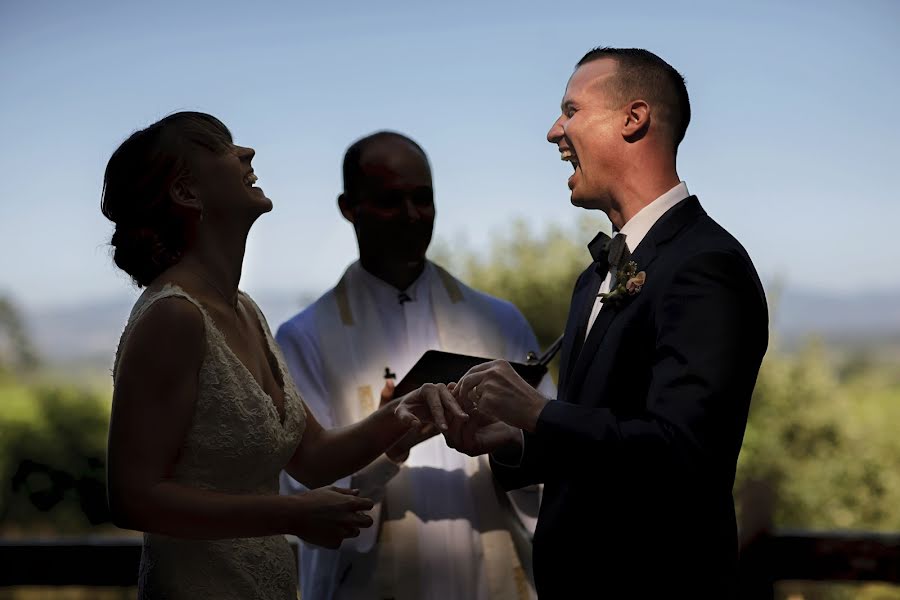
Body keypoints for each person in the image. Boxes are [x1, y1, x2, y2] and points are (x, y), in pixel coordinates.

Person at [399, 47, 769, 597]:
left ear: (633, 119)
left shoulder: (705, 265)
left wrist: (537, 411)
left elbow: (683, 454)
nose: (554, 131)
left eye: (570, 110)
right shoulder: (593, 277)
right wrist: (513, 440)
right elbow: (601, 435)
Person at [102, 112, 458, 600]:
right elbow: (131, 499)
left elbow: (312, 459)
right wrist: (291, 514)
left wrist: (404, 411)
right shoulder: (174, 319)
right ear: (187, 192)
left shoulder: (245, 311)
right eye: (221, 147)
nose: (246, 153)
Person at [276, 131, 554, 600]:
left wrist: (510, 448)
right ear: (349, 207)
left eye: (423, 199)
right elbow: (302, 494)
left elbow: (554, 457)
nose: (411, 215)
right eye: (390, 200)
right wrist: (388, 448)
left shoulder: (498, 320)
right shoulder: (304, 338)